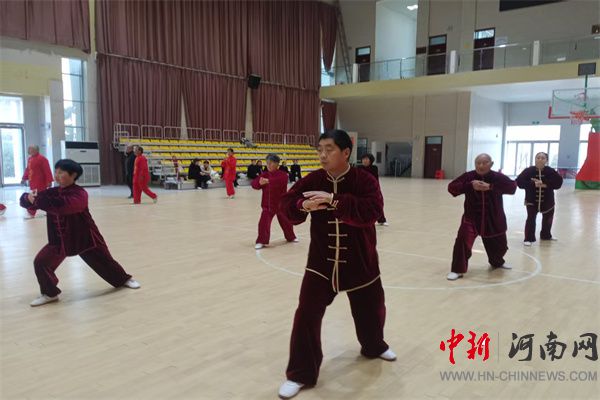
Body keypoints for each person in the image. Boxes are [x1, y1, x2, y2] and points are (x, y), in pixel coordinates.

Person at [277, 130, 396, 399]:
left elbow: (372, 211)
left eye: (329, 149)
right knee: (306, 315)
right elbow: (286, 204)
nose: (322, 155)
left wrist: (333, 200)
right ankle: (300, 373)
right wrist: (303, 205)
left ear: (346, 152)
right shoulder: (313, 179)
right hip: (321, 263)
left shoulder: (364, 180)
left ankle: (374, 346)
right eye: (319, 149)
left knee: (371, 309)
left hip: (361, 260)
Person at [19, 159, 141, 307]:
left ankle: (124, 280)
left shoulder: (80, 194)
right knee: (41, 262)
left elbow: (65, 207)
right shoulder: (52, 192)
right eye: (56, 172)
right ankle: (50, 293)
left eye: (61, 172)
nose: (57, 175)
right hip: (59, 240)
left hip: (85, 238)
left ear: (73, 175)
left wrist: (37, 201)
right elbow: (25, 200)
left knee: (105, 261)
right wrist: (27, 198)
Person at [446, 153, 517, 281]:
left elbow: (512, 188)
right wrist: (469, 186)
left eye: (484, 163)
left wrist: (491, 187)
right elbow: (451, 188)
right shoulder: (469, 176)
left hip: (494, 218)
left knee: (500, 245)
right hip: (471, 218)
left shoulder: (497, 177)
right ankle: (457, 270)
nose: (481, 166)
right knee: (462, 242)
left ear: (491, 164)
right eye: (478, 163)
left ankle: (497, 262)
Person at [516, 152, 563, 246]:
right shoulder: (528, 171)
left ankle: (546, 235)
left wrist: (545, 183)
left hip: (548, 200)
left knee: (548, 219)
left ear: (546, 160)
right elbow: (519, 182)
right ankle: (528, 238)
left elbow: (558, 183)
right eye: (538, 157)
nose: (540, 159)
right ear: (535, 159)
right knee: (531, 219)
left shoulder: (551, 171)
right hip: (531, 200)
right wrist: (533, 184)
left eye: (543, 158)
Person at [252, 154, 297, 249]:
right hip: (268, 205)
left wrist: (268, 181)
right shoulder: (264, 174)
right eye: (267, 163)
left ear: (277, 164)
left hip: (281, 205)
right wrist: (259, 183)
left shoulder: (283, 174)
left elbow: (281, 181)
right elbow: (254, 184)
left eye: (270, 163)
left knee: (286, 222)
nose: (268, 165)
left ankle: (291, 237)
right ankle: (261, 241)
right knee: (263, 223)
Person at [21, 145, 53, 218]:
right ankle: (48, 210)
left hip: (40, 182)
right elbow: (28, 169)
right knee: (42, 197)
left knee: (34, 196)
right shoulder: (30, 159)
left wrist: (49, 181)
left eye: (32, 149)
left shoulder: (42, 159)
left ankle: (31, 212)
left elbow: (47, 170)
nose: (30, 151)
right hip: (33, 182)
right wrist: (24, 178)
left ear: (37, 150)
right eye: (29, 149)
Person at [360, 153, 388, 226]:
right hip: (362, 190)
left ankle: (381, 220)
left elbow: (375, 180)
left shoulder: (374, 168)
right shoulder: (359, 168)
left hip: (373, 189)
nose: (364, 161)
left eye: (366, 159)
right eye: (363, 159)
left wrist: (377, 189)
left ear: (370, 160)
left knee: (378, 204)